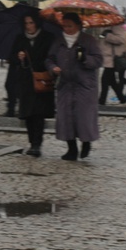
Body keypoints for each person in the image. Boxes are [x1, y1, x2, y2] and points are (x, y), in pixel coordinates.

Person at [46, 12, 103, 161]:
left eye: (70, 26)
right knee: (65, 117)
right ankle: (71, 148)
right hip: (65, 85)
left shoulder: (88, 41)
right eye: (64, 26)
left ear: (78, 25)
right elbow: (50, 59)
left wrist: (85, 58)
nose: (67, 29)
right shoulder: (58, 41)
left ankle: (86, 143)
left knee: (84, 117)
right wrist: (53, 68)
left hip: (84, 85)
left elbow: (98, 60)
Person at [11, 14, 56, 157]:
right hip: (25, 81)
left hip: (42, 79)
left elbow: (51, 57)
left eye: (31, 23)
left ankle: (37, 144)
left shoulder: (47, 38)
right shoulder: (20, 38)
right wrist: (19, 58)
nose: (29, 26)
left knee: (39, 114)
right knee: (28, 114)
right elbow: (12, 58)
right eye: (26, 23)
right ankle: (32, 142)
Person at [98, 24, 126, 105]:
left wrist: (108, 35)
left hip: (112, 58)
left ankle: (102, 101)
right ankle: (122, 98)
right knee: (112, 81)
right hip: (108, 57)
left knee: (104, 80)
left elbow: (121, 39)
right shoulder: (105, 25)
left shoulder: (116, 26)